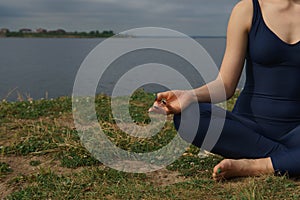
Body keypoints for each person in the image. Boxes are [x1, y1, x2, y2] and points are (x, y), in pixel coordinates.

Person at [149, 0, 300, 180]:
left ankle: (258, 165)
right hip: (249, 128)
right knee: (189, 117)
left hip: (296, 131)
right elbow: (225, 85)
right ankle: (289, 159)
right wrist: (190, 95)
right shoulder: (247, 10)